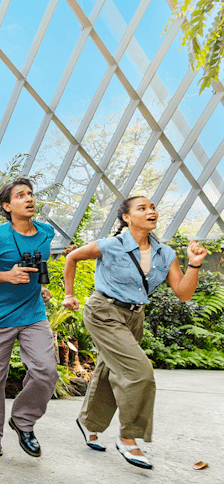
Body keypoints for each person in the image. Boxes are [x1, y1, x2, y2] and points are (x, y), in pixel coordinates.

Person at [63, 196, 208, 470]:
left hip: (135, 316)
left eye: (152, 207)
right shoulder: (111, 245)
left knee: (109, 368)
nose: (150, 211)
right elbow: (72, 257)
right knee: (139, 373)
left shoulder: (165, 253)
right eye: (142, 208)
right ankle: (129, 437)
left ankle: (88, 422)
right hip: (103, 311)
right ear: (127, 218)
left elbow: (183, 293)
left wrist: (195, 264)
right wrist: (69, 295)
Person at [0, 178, 58, 458]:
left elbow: (39, 260)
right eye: (20, 195)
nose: (29, 199)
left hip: (33, 314)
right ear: (7, 206)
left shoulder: (46, 232)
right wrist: (6, 275)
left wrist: (42, 285)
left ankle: (23, 421)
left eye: (30, 194)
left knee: (46, 371)